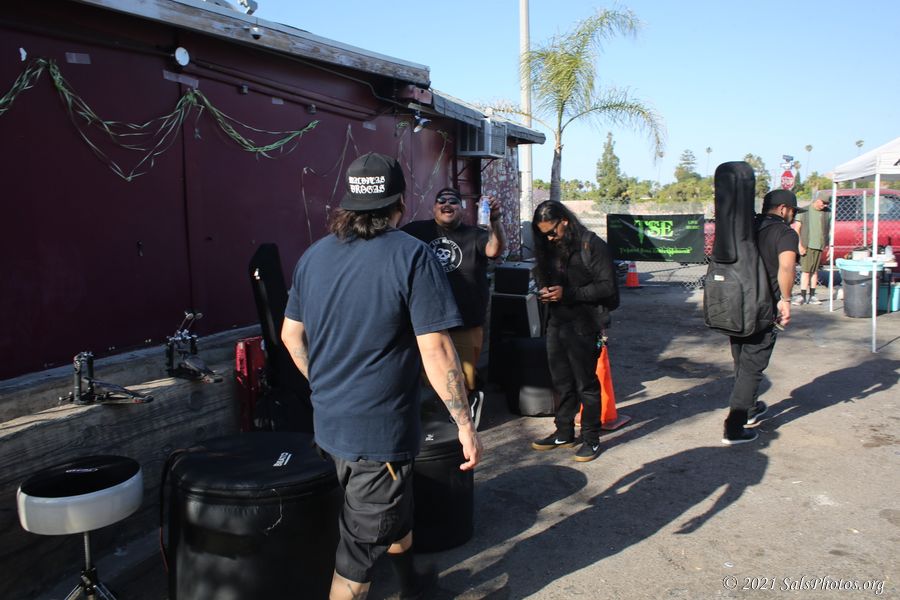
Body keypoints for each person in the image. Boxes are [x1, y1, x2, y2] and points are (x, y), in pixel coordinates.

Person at [280, 152, 482, 600]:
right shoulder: (412, 255)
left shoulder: (314, 255)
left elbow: (290, 336)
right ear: (400, 203)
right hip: (377, 437)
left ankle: (413, 586)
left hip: (330, 425)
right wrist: (465, 425)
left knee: (395, 510)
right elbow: (436, 350)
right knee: (356, 557)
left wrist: (323, 382)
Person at [402, 187, 506, 426]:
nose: (447, 204)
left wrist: (496, 221)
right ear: (434, 207)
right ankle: (438, 420)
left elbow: (494, 249)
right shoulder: (416, 231)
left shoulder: (475, 234)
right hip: (428, 321)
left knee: (463, 377)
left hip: (466, 319)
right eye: (441, 200)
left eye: (453, 201)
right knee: (429, 374)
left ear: (462, 208)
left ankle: (464, 420)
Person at [528, 200, 619, 463]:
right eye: (543, 234)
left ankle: (590, 438)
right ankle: (564, 432)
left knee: (585, 384)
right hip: (557, 321)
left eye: (552, 232)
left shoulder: (591, 244)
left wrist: (568, 293)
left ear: (565, 221)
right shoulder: (548, 246)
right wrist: (545, 290)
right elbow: (545, 275)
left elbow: (608, 288)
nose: (549, 237)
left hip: (585, 323)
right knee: (561, 382)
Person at [723, 189, 802, 445]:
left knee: (742, 361)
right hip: (763, 308)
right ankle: (734, 427)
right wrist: (786, 300)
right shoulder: (784, 233)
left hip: (735, 303)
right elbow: (787, 266)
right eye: (792, 211)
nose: (792, 216)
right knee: (752, 367)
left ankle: (749, 408)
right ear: (783, 209)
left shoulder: (747, 227)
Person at [791, 195, 832, 305]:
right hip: (807, 245)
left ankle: (812, 296)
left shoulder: (827, 212)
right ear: (817, 200)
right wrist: (800, 245)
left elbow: (829, 230)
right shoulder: (804, 211)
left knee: (814, 271)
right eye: (823, 203)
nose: (825, 206)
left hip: (819, 246)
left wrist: (829, 246)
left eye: (827, 204)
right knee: (806, 271)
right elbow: (797, 229)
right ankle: (802, 296)